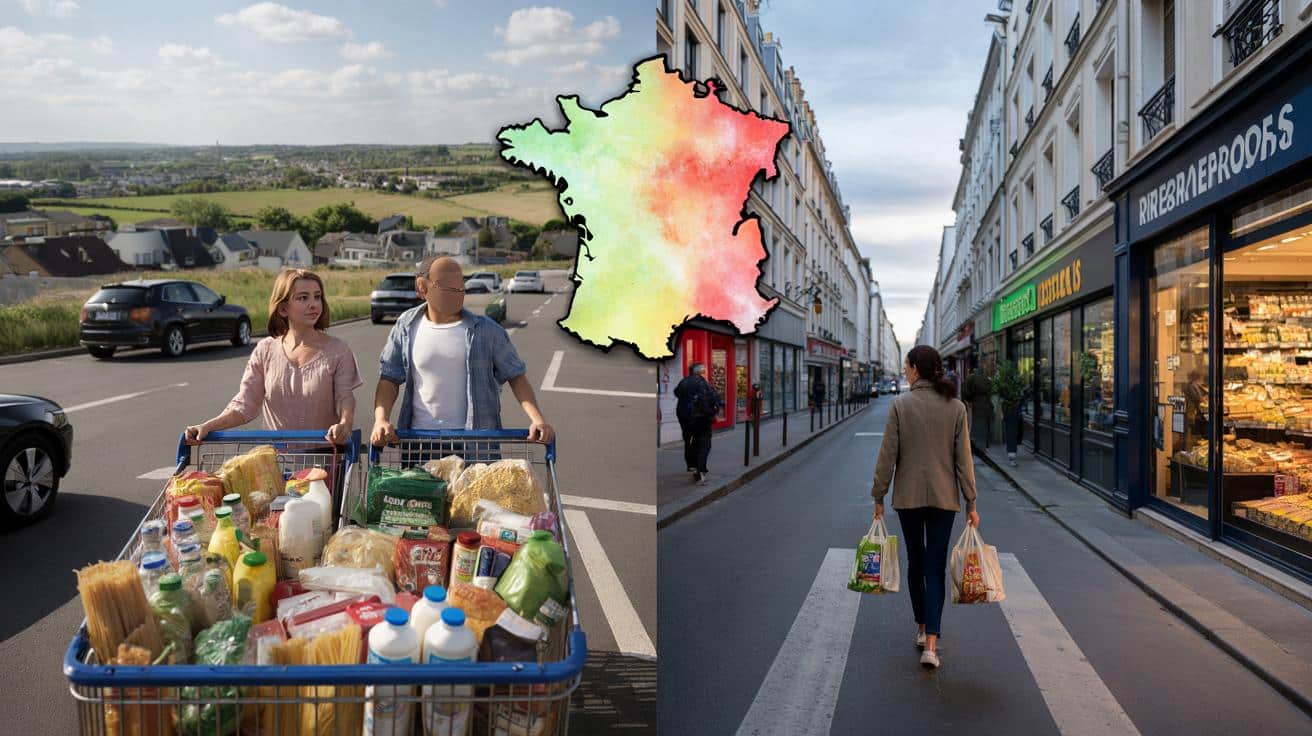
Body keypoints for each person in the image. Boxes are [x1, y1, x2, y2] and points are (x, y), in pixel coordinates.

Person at [370, 255, 554, 449]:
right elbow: (389, 378)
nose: (456, 294)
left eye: (459, 287)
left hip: (474, 443)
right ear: (422, 288)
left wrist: (537, 419)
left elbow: (516, 376)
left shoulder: (487, 330)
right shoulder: (406, 325)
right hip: (420, 440)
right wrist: (381, 419)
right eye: (446, 288)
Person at [870, 345, 980, 670]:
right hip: (945, 500)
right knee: (935, 567)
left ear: (916, 368)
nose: (904, 371)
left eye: (906, 366)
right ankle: (931, 642)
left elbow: (887, 456)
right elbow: (964, 461)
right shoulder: (956, 407)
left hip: (908, 499)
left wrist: (878, 495)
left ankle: (921, 627)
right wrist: (971, 501)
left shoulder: (900, 405)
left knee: (916, 562)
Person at [186, 269, 362, 445]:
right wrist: (208, 426)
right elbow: (245, 403)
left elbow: (344, 397)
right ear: (283, 309)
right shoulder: (265, 350)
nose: (314, 304)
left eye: (317, 297)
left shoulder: (338, 350)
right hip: (276, 461)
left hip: (325, 459)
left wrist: (345, 424)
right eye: (303, 298)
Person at [674, 363, 722, 485]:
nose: (705, 372)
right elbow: (714, 399)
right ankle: (700, 472)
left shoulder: (683, 382)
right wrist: (713, 412)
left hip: (685, 418)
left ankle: (691, 465)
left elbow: (677, 393)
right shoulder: (703, 383)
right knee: (704, 445)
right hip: (702, 419)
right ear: (700, 372)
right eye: (704, 370)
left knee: (689, 441)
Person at [961, 365, 993, 449]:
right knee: (984, 425)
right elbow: (991, 391)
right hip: (986, 404)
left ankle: (974, 444)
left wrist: (968, 400)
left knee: (974, 424)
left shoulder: (972, 378)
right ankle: (984, 445)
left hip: (975, 403)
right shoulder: (987, 380)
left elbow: (965, 391)